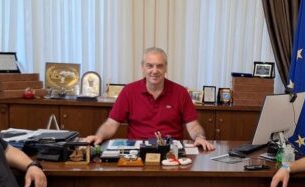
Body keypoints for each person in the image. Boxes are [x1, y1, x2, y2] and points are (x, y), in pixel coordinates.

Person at [85, 47, 215, 150]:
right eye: (150, 65)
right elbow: (111, 124)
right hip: (137, 151)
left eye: (159, 66)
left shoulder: (180, 92)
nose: (155, 70)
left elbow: (193, 126)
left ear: (166, 68)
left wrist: (199, 137)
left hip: (171, 151)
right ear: (143, 67)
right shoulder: (129, 91)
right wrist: (99, 136)